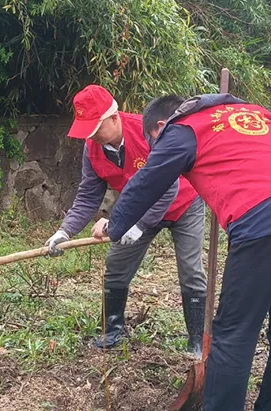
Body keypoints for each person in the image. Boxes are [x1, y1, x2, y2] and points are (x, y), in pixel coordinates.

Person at [92, 92, 271, 411]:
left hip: (265, 216)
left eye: (154, 143)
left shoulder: (180, 129)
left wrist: (115, 225)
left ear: (161, 126)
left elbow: (147, 181)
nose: (156, 150)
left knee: (233, 334)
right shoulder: (245, 113)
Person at [45, 85, 207, 352]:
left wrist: (140, 224)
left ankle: (197, 342)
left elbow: (169, 187)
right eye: (87, 130)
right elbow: (88, 196)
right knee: (116, 265)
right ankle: (112, 331)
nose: (92, 136)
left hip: (183, 204)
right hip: (136, 211)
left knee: (191, 271)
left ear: (113, 117)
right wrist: (65, 231)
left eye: (96, 128)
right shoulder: (92, 149)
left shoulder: (148, 133)